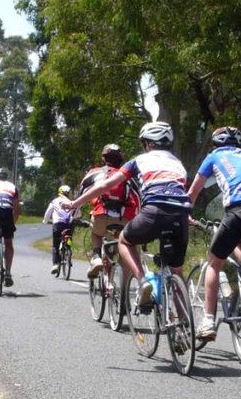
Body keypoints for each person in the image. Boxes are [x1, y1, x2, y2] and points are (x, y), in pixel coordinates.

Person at [65, 122, 191, 307]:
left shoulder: (138, 161)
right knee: (176, 272)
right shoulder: (179, 165)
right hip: (180, 216)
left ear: (147, 144)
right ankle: (183, 328)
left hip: (153, 212)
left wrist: (75, 203)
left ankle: (143, 282)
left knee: (125, 241)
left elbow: (105, 185)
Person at [187, 126, 241, 340]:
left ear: (215, 143)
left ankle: (208, 321)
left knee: (215, 263)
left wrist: (185, 213)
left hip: (237, 212)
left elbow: (194, 191)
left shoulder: (214, 156)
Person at [74, 143, 140, 278]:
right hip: (125, 219)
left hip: (101, 215)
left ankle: (97, 256)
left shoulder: (95, 172)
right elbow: (138, 197)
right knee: (125, 246)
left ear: (103, 159)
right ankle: (124, 285)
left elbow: (81, 193)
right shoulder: (128, 176)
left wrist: (76, 213)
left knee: (96, 233)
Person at [42, 185, 76, 275]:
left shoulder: (54, 201)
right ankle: (68, 250)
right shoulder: (71, 202)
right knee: (68, 237)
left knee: (55, 246)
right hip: (69, 225)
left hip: (57, 225)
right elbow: (77, 213)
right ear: (69, 193)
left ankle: (55, 264)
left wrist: (45, 222)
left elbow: (47, 214)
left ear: (59, 192)